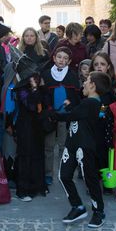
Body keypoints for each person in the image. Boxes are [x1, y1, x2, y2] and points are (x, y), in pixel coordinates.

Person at [56, 71, 112, 228]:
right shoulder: (96, 104)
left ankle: (96, 211)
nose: (84, 84)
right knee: (66, 176)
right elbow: (85, 115)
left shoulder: (91, 104)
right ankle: (80, 207)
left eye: (87, 81)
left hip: (83, 147)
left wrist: (51, 115)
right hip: (74, 144)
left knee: (87, 178)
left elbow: (70, 116)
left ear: (93, 85)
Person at [42, 46, 80, 185]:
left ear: (69, 61)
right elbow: (43, 95)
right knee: (49, 146)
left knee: (64, 146)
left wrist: (71, 103)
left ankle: (64, 172)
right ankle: (48, 174)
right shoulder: (46, 74)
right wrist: (49, 109)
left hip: (66, 117)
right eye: (59, 57)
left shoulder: (72, 75)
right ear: (54, 58)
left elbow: (77, 96)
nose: (61, 60)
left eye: (65, 58)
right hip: (51, 116)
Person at [12, 73, 47, 201]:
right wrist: (34, 89)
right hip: (25, 127)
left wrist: (41, 88)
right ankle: (23, 190)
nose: (36, 79)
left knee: (38, 155)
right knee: (25, 156)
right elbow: (31, 105)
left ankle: (38, 186)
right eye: (33, 77)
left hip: (37, 127)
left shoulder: (42, 87)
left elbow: (45, 102)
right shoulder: (21, 89)